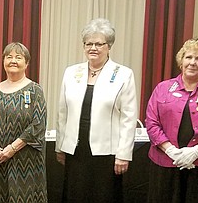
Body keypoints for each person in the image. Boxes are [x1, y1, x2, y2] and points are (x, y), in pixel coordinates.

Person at [55, 18, 138, 202]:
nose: (93, 48)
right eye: (88, 43)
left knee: (103, 196)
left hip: (107, 152)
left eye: (99, 44)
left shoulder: (123, 74)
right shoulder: (71, 72)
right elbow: (62, 113)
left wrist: (123, 154)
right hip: (75, 150)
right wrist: (60, 145)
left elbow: (128, 118)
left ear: (109, 46)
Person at [144, 38, 198, 202]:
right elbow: (151, 122)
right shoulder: (163, 88)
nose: (192, 63)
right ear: (181, 61)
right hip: (166, 161)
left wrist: (197, 151)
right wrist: (170, 150)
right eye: (188, 57)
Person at [0, 42, 47, 203]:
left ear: (26, 63)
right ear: (3, 62)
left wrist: (12, 148)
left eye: (18, 57)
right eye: (9, 57)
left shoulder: (35, 90)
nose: (13, 61)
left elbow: (38, 124)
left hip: (25, 162)